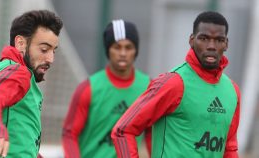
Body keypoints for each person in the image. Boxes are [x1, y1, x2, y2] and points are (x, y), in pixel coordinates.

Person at [111, 11, 240, 158]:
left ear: (226, 44)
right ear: (192, 40)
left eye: (219, 40)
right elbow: (123, 130)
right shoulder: (173, 83)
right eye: (204, 38)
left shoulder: (232, 91)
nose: (211, 46)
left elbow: (229, 148)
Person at [0, 10, 63, 158]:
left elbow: (19, 135)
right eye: (44, 49)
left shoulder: (9, 72)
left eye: (53, 51)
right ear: (20, 43)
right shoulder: (17, 72)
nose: (50, 59)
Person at [62, 19, 151, 158]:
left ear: (136, 51)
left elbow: (152, 133)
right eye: (117, 47)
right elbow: (69, 134)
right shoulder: (88, 88)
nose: (123, 53)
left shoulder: (148, 88)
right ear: (108, 50)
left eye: (128, 47)